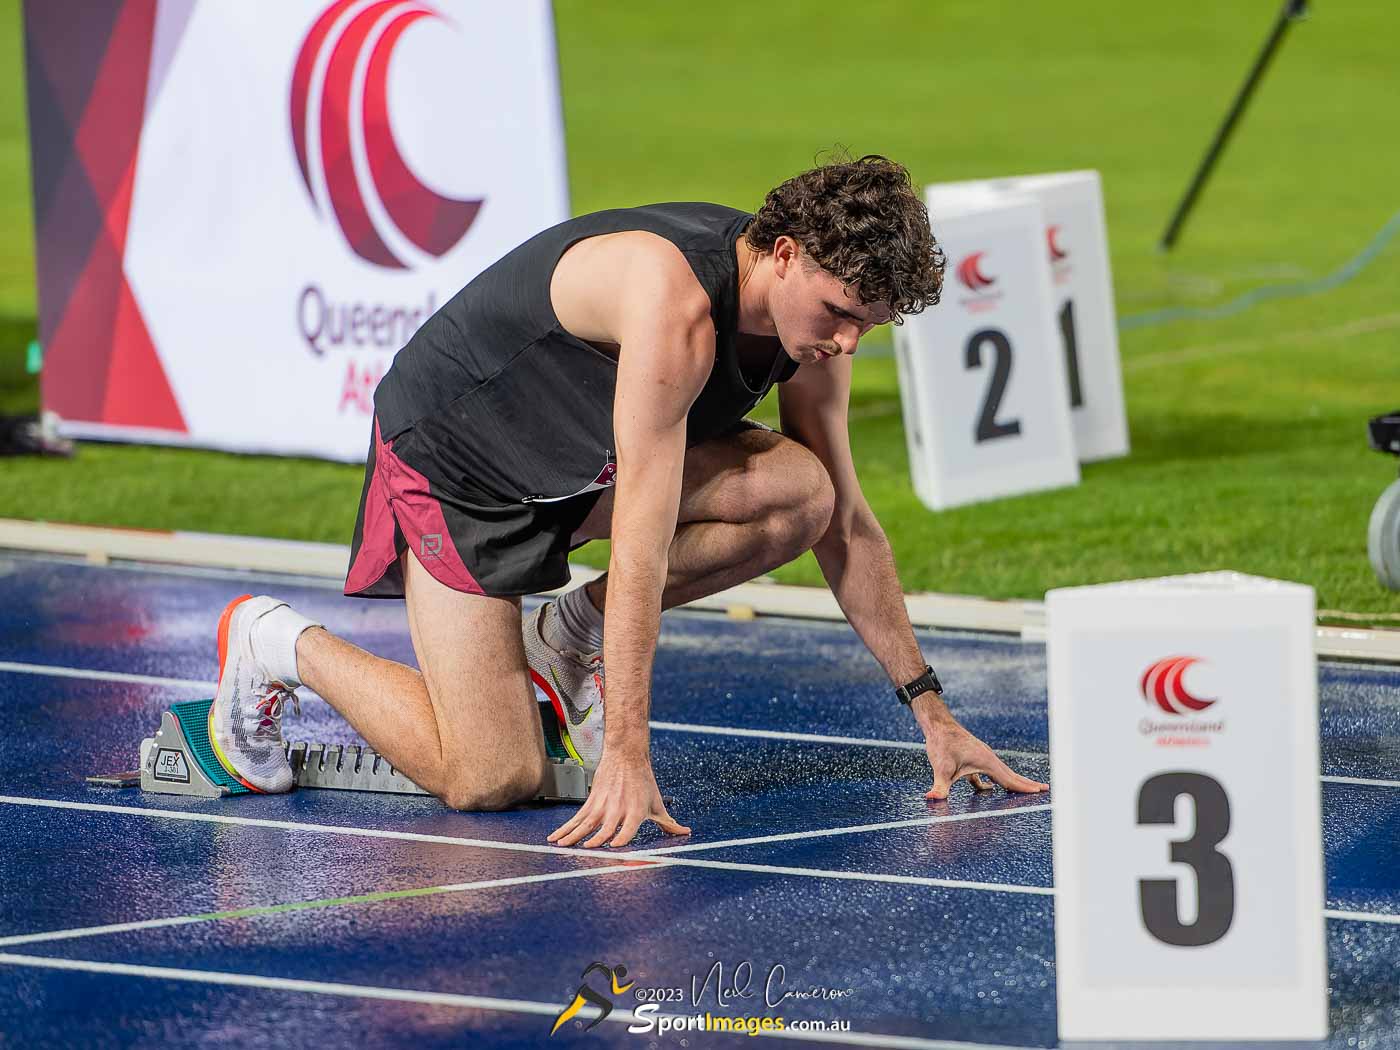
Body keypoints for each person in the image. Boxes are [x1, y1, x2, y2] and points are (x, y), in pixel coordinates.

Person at [206, 155, 1048, 849]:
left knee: (806, 495)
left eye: (869, 325)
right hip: (456, 462)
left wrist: (932, 712)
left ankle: (563, 632)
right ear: (786, 253)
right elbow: (639, 546)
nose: (846, 343)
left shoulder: (811, 322)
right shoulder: (673, 302)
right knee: (490, 779)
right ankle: (273, 640)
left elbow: (852, 529)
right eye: (839, 314)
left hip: (568, 463)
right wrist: (626, 754)